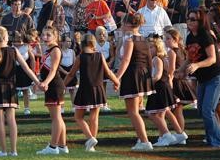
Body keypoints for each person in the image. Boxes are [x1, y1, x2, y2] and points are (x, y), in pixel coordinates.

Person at [0, 26, 43, 157]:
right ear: (5, 37)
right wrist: (37, 82)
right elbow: (27, 68)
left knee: (0, 121)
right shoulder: (13, 50)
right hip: (11, 87)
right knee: (12, 120)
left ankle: (3, 151)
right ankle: (14, 151)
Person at [176, 8, 220, 148]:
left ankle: (215, 142)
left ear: (200, 21)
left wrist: (197, 65)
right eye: (188, 18)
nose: (189, 21)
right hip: (203, 79)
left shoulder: (205, 36)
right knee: (201, 110)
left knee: (207, 110)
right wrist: (180, 70)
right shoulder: (190, 37)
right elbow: (189, 58)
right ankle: (219, 133)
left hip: (215, 77)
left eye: (193, 19)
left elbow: (212, 59)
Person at [63, 33, 119, 152]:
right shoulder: (100, 55)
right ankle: (92, 145)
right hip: (98, 89)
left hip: (85, 89)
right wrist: (116, 82)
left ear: (82, 44)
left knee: (78, 117)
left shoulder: (80, 57)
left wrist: (63, 85)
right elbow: (108, 72)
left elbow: (71, 74)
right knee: (94, 117)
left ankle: (90, 138)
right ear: (93, 43)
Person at [115, 13, 154, 151]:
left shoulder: (130, 40)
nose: (121, 26)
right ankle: (141, 138)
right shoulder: (143, 39)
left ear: (128, 24)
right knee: (135, 111)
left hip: (132, 75)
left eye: (122, 23)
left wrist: (117, 78)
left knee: (133, 112)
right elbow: (149, 60)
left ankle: (144, 141)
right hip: (142, 74)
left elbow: (126, 60)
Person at [145, 35, 187, 146]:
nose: (149, 50)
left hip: (159, 88)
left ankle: (167, 135)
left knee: (152, 114)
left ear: (158, 47)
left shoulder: (156, 59)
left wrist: (146, 83)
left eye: (151, 47)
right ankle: (179, 133)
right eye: (148, 48)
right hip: (164, 87)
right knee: (165, 112)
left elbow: (158, 76)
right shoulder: (163, 59)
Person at [36, 26, 68, 155]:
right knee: (57, 117)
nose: (45, 37)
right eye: (43, 35)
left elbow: (54, 70)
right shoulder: (48, 49)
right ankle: (62, 146)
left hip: (54, 85)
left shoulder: (55, 50)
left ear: (55, 36)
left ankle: (53, 146)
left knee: (56, 118)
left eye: (48, 35)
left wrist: (45, 82)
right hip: (52, 85)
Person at [165, 28, 195, 135]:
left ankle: (180, 133)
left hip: (176, 82)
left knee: (176, 110)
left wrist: (170, 85)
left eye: (168, 38)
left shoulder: (172, 52)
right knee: (178, 110)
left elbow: (171, 70)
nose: (165, 41)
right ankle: (180, 133)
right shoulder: (182, 50)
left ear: (175, 40)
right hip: (182, 82)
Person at [13, 32, 36, 115]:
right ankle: (13, 107)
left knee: (25, 90)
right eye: (17, 37)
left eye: (20, 37)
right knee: (13, 90)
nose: (19, 39)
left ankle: (27, 108)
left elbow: (32, 59)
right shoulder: (11, 47)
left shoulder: (27, 46)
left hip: (25, 71)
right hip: (14, 70)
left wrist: (32, 71)